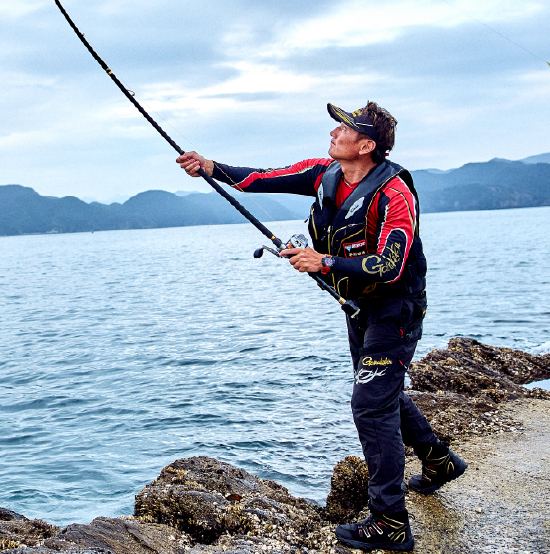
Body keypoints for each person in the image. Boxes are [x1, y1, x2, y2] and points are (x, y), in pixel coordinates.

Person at [176, 102, 466, 552]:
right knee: (380, 392)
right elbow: (261, 179)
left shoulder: (395, 195)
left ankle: (389, 521)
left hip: (396, 309)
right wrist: (209, 167)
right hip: (359, 307)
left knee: (371, 404)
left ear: (367, 145)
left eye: (346, 128)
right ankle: (437, 460)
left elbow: (390, 264)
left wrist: (324, 260)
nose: (334, 131)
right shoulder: (322, 172)